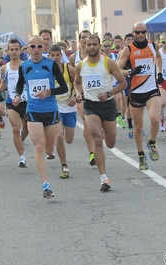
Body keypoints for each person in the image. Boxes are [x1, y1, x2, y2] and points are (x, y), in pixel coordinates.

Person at [13, 35, 68, 199]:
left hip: (50, 110)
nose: (36, 50)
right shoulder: (24, 67)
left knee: (48, 149)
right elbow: (20, 84)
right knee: (38, 147)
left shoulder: (51, 65)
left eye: (39, 46)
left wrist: (48, 91)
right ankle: (46, 185)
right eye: (32, 46)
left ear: (44, 48)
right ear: (27, 49)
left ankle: (49, 154)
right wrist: (17, 95)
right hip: (33, 111)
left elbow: (64, 87)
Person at [74, 35, 127, 191]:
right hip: (90, 106)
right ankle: (104, 178)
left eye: (94, 44)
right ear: (85, 46)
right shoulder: (80, 66)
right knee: (97, 139)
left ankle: (104, 128)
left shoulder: (108, 63)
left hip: (108, 105)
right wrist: (78, 93)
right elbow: (77, 82)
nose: (91, 47)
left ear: (99, 46)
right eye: (88, 44)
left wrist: (109, 94)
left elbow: (123, 83)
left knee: (110, 143)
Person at [117, 22, 163, 171]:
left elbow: (158, 59)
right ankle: (141, 154)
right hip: (136, 92)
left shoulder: (153, 46)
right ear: (133, 32)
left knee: (155, 120)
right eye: (137, 32)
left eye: (143, 32)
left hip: (151, 90)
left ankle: (152, 142)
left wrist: (160, 72)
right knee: (138, 127)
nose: (140, 35)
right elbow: (118, 69)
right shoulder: (128, 50)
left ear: (146, 32)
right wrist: (131, 72)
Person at [0, 39, 29, 167]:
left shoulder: (27, 65)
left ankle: (20, 142)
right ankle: (22, 157)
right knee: (16, 129)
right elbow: (4, 82)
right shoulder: (4, 68)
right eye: (12, 49)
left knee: (26, 130)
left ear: (20, 51)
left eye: (16, 49)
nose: (14, 52)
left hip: (26, 102)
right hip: (11, 102)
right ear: (8, 51)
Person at [48, 44, 76, 179]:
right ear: (49, 56)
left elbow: (78, 85)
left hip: (69, 107)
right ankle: (64, 165)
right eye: (52, 55)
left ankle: (57, 144)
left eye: (57, 55)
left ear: (61, 55)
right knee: (59, 136)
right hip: (55, 107)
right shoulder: (46, 71)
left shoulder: (69, 70)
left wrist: (75, 97)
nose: (55, 58)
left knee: (69, 139)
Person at [69, 30, 96, 166]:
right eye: (82, 38)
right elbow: (72, 77)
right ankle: (91, 152)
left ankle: (96, 146)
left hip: (96, 93)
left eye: (87, 37)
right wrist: (76, 93)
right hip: (82, 94)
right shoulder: (74, 57)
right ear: (79, 40)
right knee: (86, 120)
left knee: (96, 124)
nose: (85, 40)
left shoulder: (98, 55)